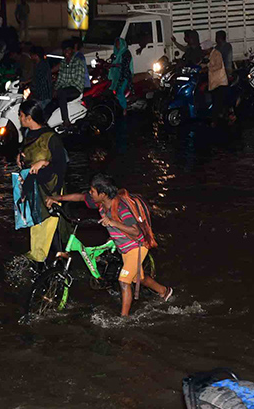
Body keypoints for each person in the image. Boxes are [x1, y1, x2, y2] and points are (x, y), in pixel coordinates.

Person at [47, 174, 172, 317]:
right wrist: (56, 198)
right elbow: (81, 197)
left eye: (92, 191)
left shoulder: (121, 209)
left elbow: (136, 231)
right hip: (123, 247)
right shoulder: (100, 202)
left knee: (124, 281)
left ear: (103, 194)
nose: (90, 193)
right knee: (138, 278)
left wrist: (113, 223)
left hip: (136, 246)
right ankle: (164, 291)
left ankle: (123, 319)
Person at [17, 99, 67, 265]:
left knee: (51, 227)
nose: (19, 118)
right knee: (37, 224)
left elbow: (61, 165)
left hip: (51, 188)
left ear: (29, 118)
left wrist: (45, 163)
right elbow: (28, 152)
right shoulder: (28, 135)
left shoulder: (51, 138)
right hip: (35, 188)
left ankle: (57, 267)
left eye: (21, 115)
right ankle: (39, 259)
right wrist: (20, 158)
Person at [50, 40, 85, 125]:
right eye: (64, 50)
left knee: (61, 93)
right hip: (65, 89)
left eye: (68, 49)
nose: (66, 52)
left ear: (72, 50)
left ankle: (66, 120)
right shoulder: (63, 63)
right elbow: (60, 79)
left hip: (76, 88)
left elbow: (78, 80)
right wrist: (55, 89)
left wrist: (61, 88)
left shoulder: (78, 62)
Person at [108, 36, 132, 112]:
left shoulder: (126, 53)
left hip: (124, 75)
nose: (117, 46)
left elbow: (125, 65)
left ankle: (125, 108)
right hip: (117, 75)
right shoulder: (116, 54)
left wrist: (116, 65)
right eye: (116, 44)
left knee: (119, 91)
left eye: (118, 44)